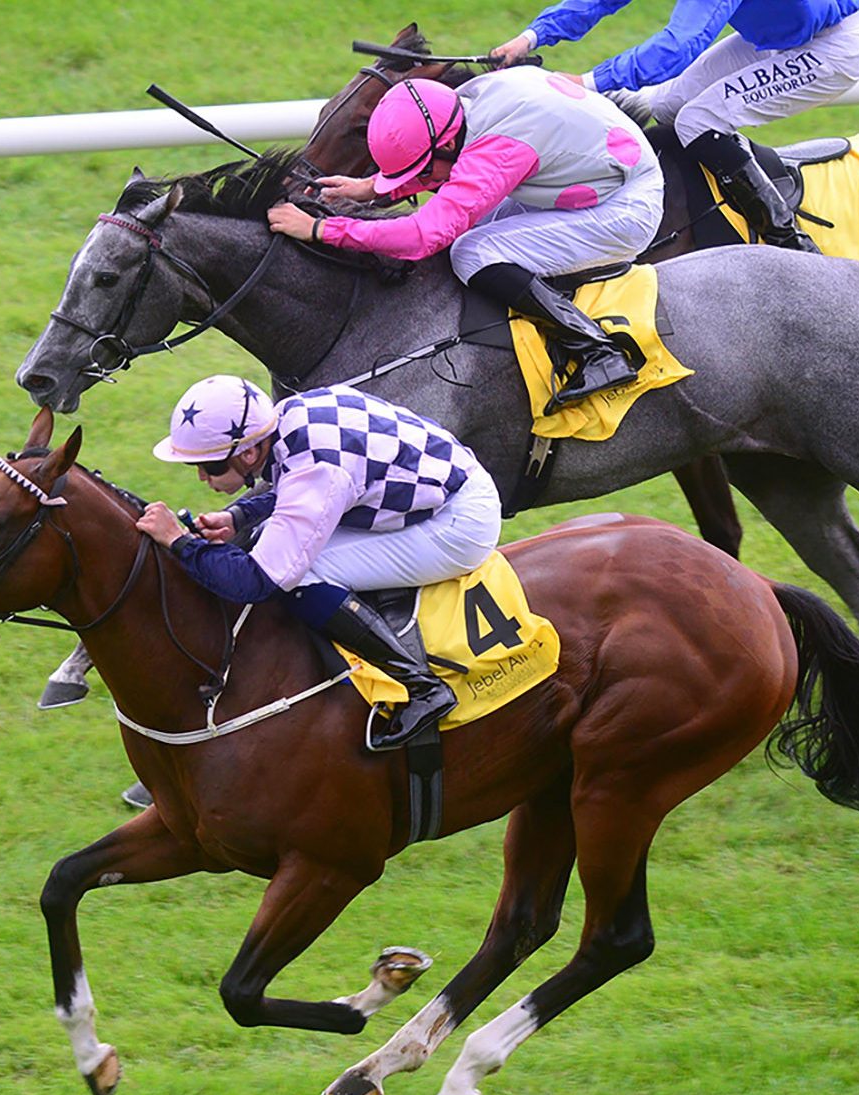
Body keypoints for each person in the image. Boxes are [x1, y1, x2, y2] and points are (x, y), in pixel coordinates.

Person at [132, 373, 503, 750]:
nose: (201, 478)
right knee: (270, 541)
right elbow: (297, 485)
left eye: (211, 466)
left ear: (247, 454)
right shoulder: (288, 419)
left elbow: (259, 581)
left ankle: (421, 687)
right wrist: (240, 517)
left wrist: (178, 542)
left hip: (458, 524)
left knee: (303, 573)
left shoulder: (317, 465)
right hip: (440, 489)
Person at [266, 66, 664, 414]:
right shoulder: (459, 104)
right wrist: (370, 188)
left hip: (624, 206)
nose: (421, 181)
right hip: (580, 176)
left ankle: (597, 350)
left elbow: (424, 235)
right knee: (468, 235)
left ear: (449, 144)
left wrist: (321, 230)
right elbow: (438, 170)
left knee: (471, 252)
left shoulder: (497, 147)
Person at [489, 0, 859, 254]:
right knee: (668, 106)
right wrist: (531, 37)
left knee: (699, 119)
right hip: (782, 38)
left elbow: (677, 48)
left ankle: (791, 244)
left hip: (831, 48)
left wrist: (590, 83)